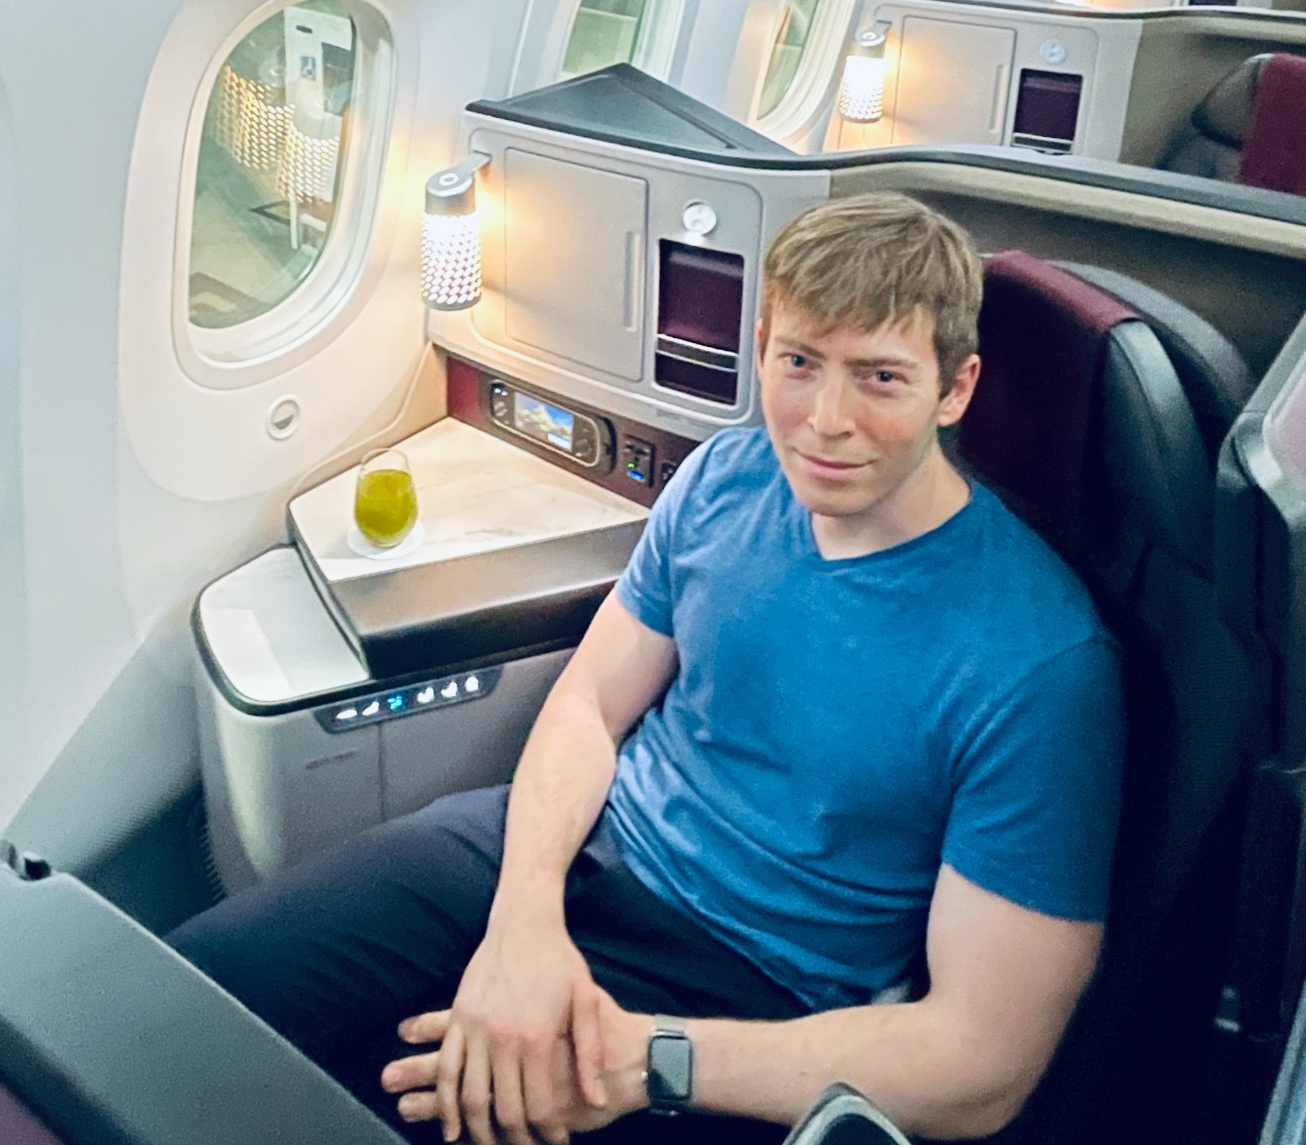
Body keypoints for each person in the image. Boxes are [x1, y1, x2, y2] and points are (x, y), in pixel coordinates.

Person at [169, 193, 1124, 1143]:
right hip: (556, 849)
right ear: (761, 350)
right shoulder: (722, 480)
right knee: (177, 1004)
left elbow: (983, 1060)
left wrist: (646, 1062)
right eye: (800, 363)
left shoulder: (1041, 663)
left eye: (879, 377)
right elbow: (589, 702)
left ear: (954, 390)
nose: (825, 420)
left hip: (750, 983)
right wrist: (525, 922)